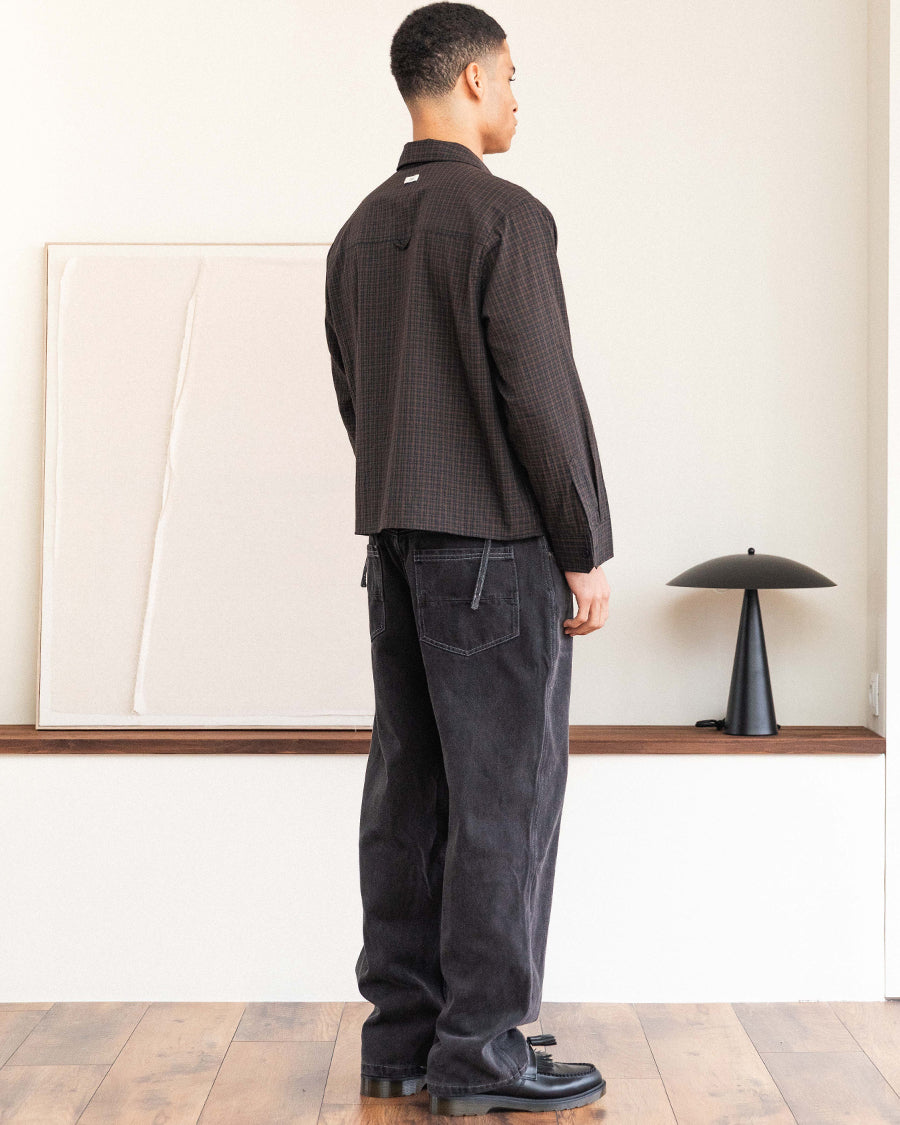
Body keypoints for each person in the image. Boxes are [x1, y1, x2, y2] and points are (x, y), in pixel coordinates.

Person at [324, 2, 612, 1115]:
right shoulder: (504, 217)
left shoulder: (359, 231)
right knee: (505, 797)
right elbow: (542, 399)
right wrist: (583, 547)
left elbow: (358, 400)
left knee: (410, 796)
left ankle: (403, 1041)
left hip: (395, 548)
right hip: (496, 550)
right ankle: (483, 1049)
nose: (518, 96)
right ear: (477, 78)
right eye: (513, 74)